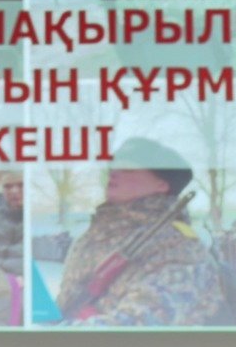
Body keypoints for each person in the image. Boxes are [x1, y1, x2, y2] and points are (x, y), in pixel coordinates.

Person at [54, 138, 225, 326]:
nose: (114, 173)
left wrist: (56, 335)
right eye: (113, 166)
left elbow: (143, 324)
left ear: (162, 184)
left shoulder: (178, 246)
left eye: (128, 169)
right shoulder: (97, 235)